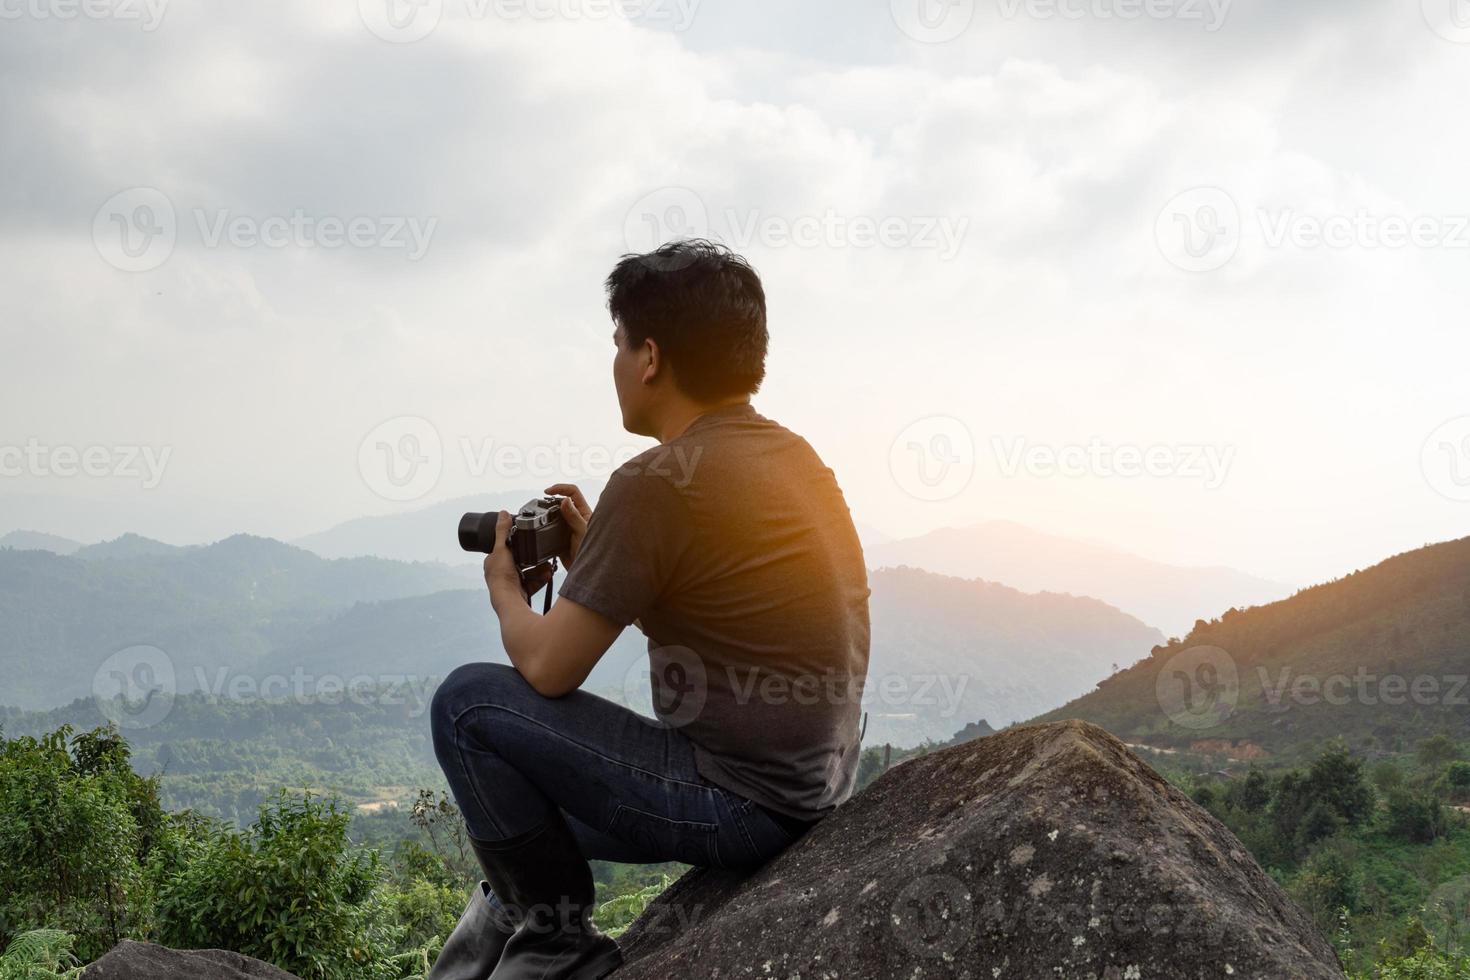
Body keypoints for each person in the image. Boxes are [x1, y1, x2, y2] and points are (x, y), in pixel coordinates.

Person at [427, 240, 872, 980]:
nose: (616, 363)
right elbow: (727, 606)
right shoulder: (794, 457)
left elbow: (546, 668)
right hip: (815, 784)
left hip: (740, 801)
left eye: (617, 344)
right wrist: (601, 563)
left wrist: (506, 589)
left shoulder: (658, 481)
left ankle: (557, 951)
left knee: (466, 705)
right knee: (524, 831)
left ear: (651, 358)